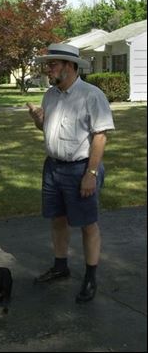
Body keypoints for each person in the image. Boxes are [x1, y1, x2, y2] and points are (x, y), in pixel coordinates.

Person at [27, 43, 115, 304]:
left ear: (70, 66)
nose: (48, 68)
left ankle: (90, 276)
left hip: (80, 168)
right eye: (48, 64)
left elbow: (100, 136)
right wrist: (37, 119)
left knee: (88, 224)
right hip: (53, 167)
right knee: (57, 219)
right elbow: (46, 127)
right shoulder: (50, 95)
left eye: (53, 64)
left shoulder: (91, 95)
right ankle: (60, 266)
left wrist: (91, 172)